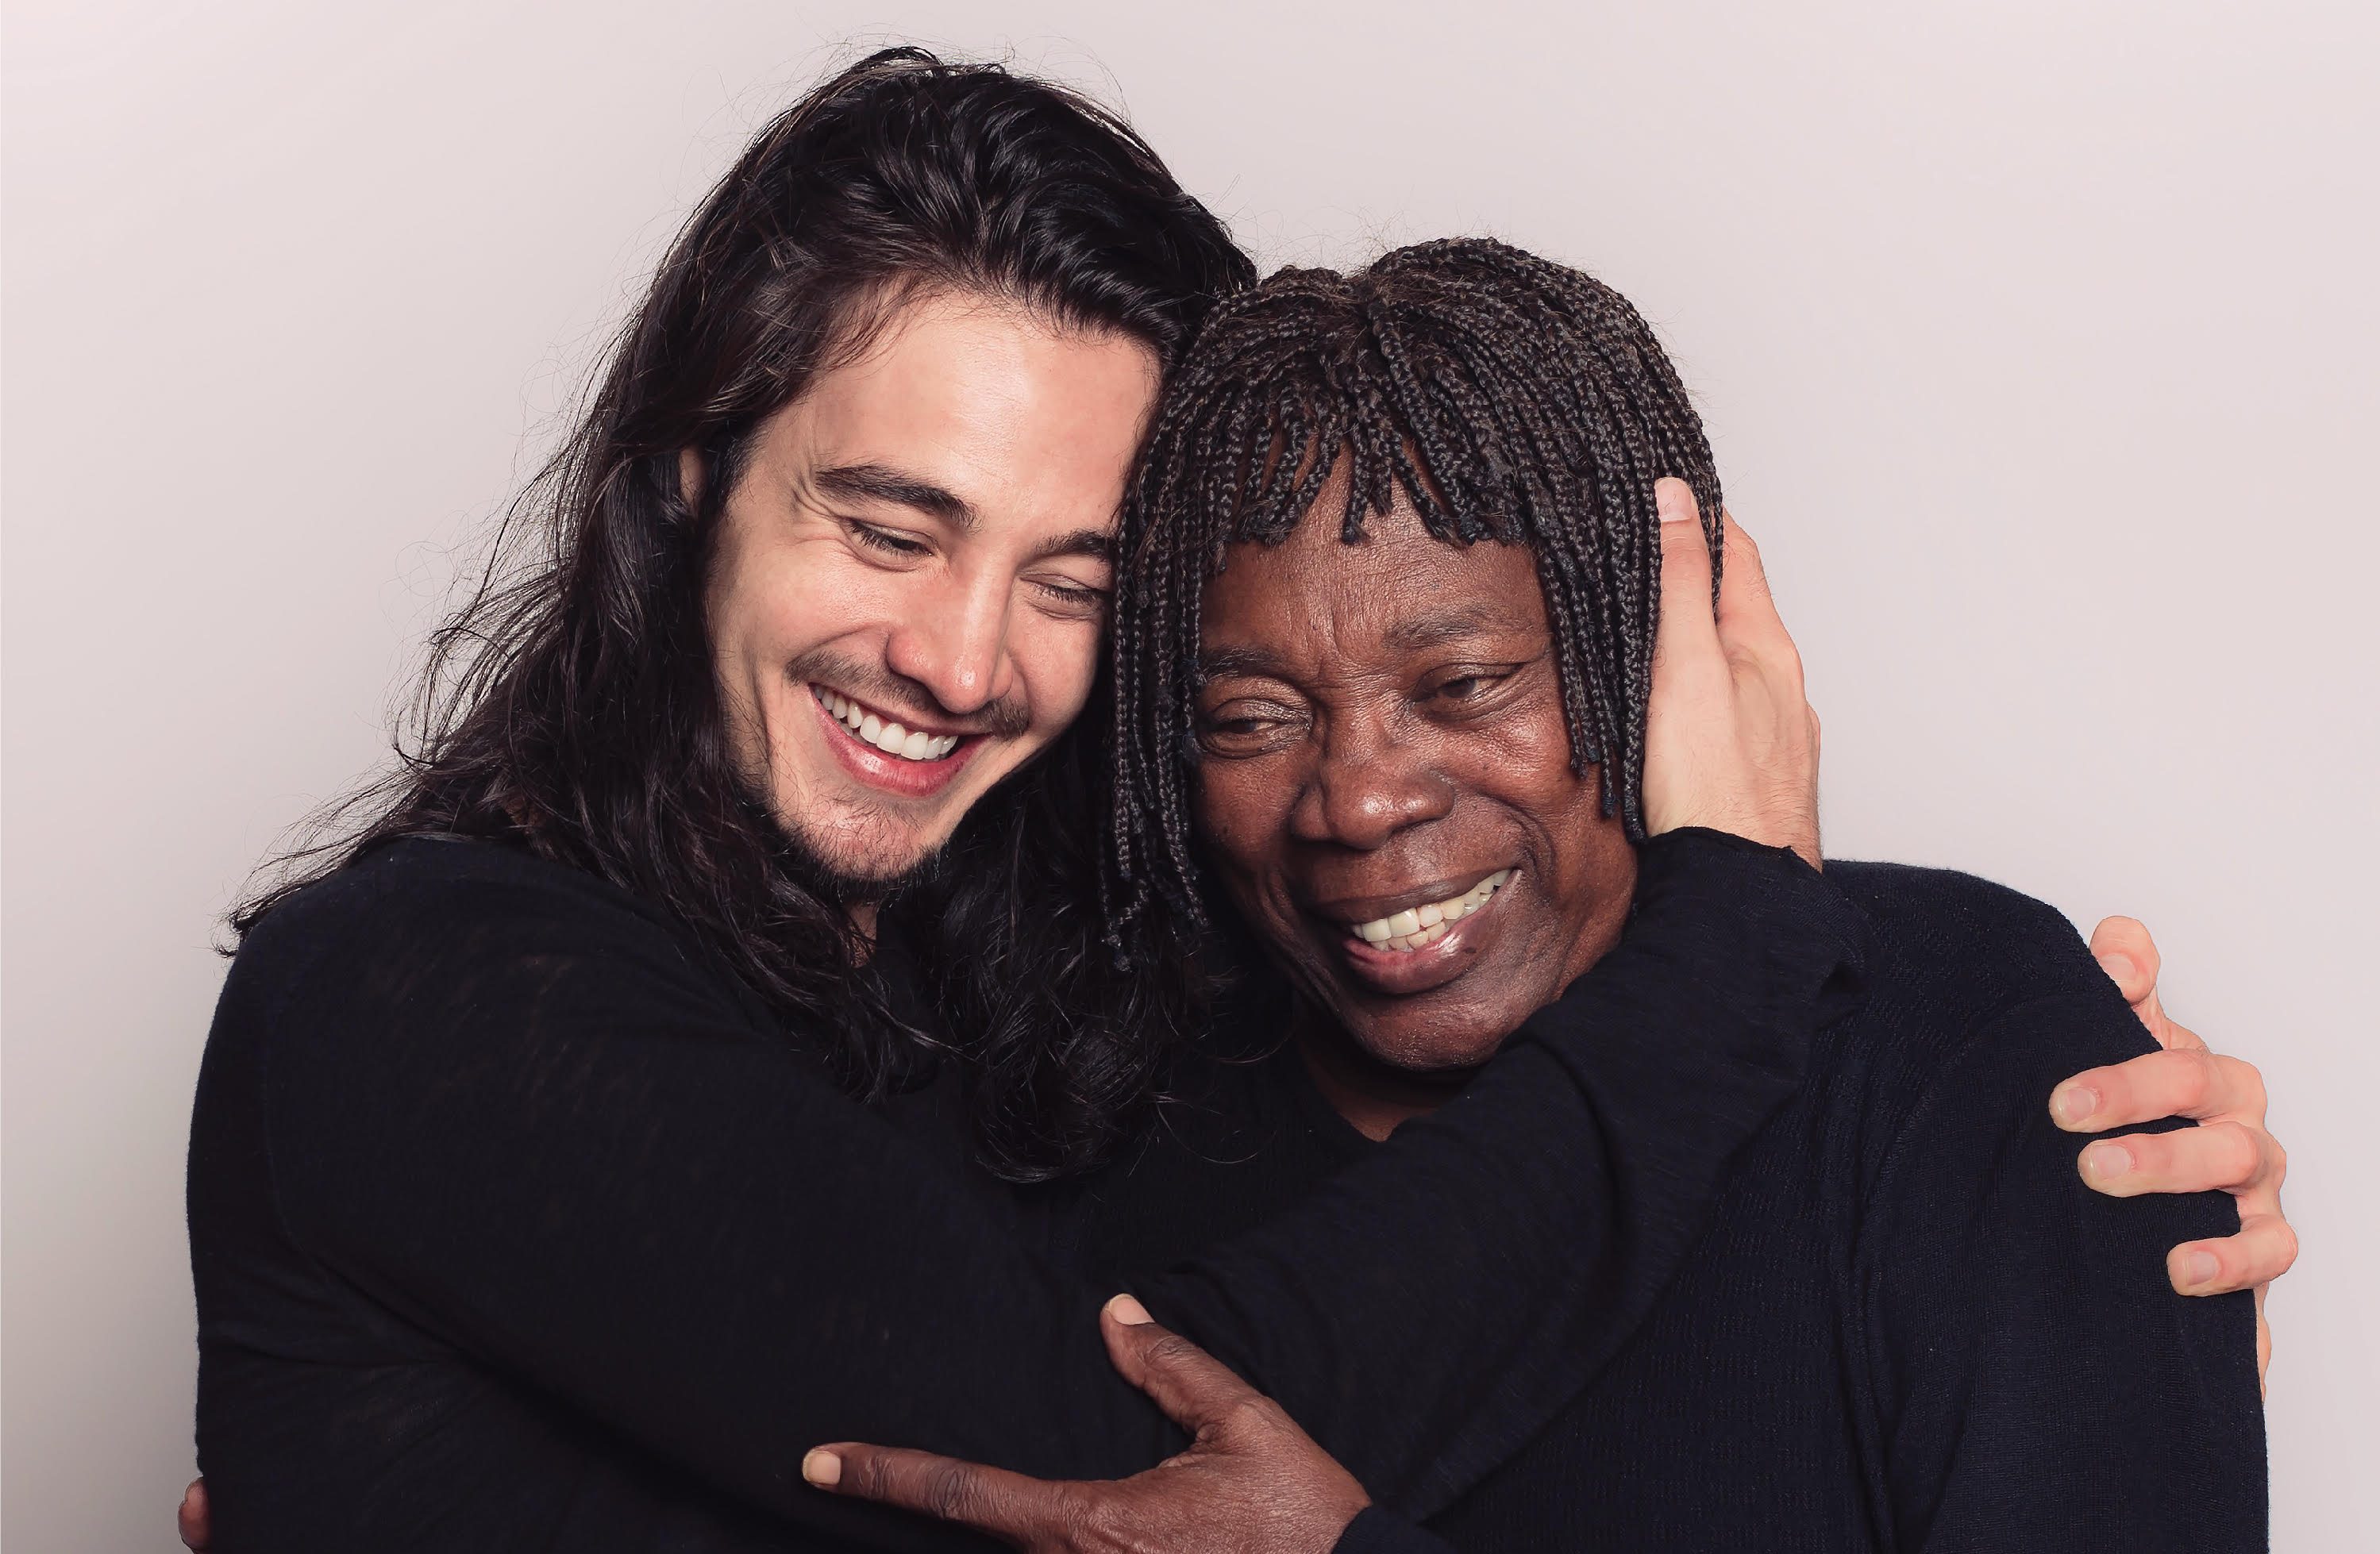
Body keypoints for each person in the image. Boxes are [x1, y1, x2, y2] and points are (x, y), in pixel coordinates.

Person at [180, 52, 2291, 1553]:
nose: (960, 657)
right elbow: (1101, 1458)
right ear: (684, 483)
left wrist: (1997, 1087)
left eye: (1073, 578)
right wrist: (1742, 929)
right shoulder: (414, 991)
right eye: (890, 524)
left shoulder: (1049, 1052)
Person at [801, 241, 2272, 1550]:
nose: (1358, 798)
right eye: (1248, 718)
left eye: (1462, 686)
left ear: (1661, 663)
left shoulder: (1961, 1044)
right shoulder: (1086, 1111)